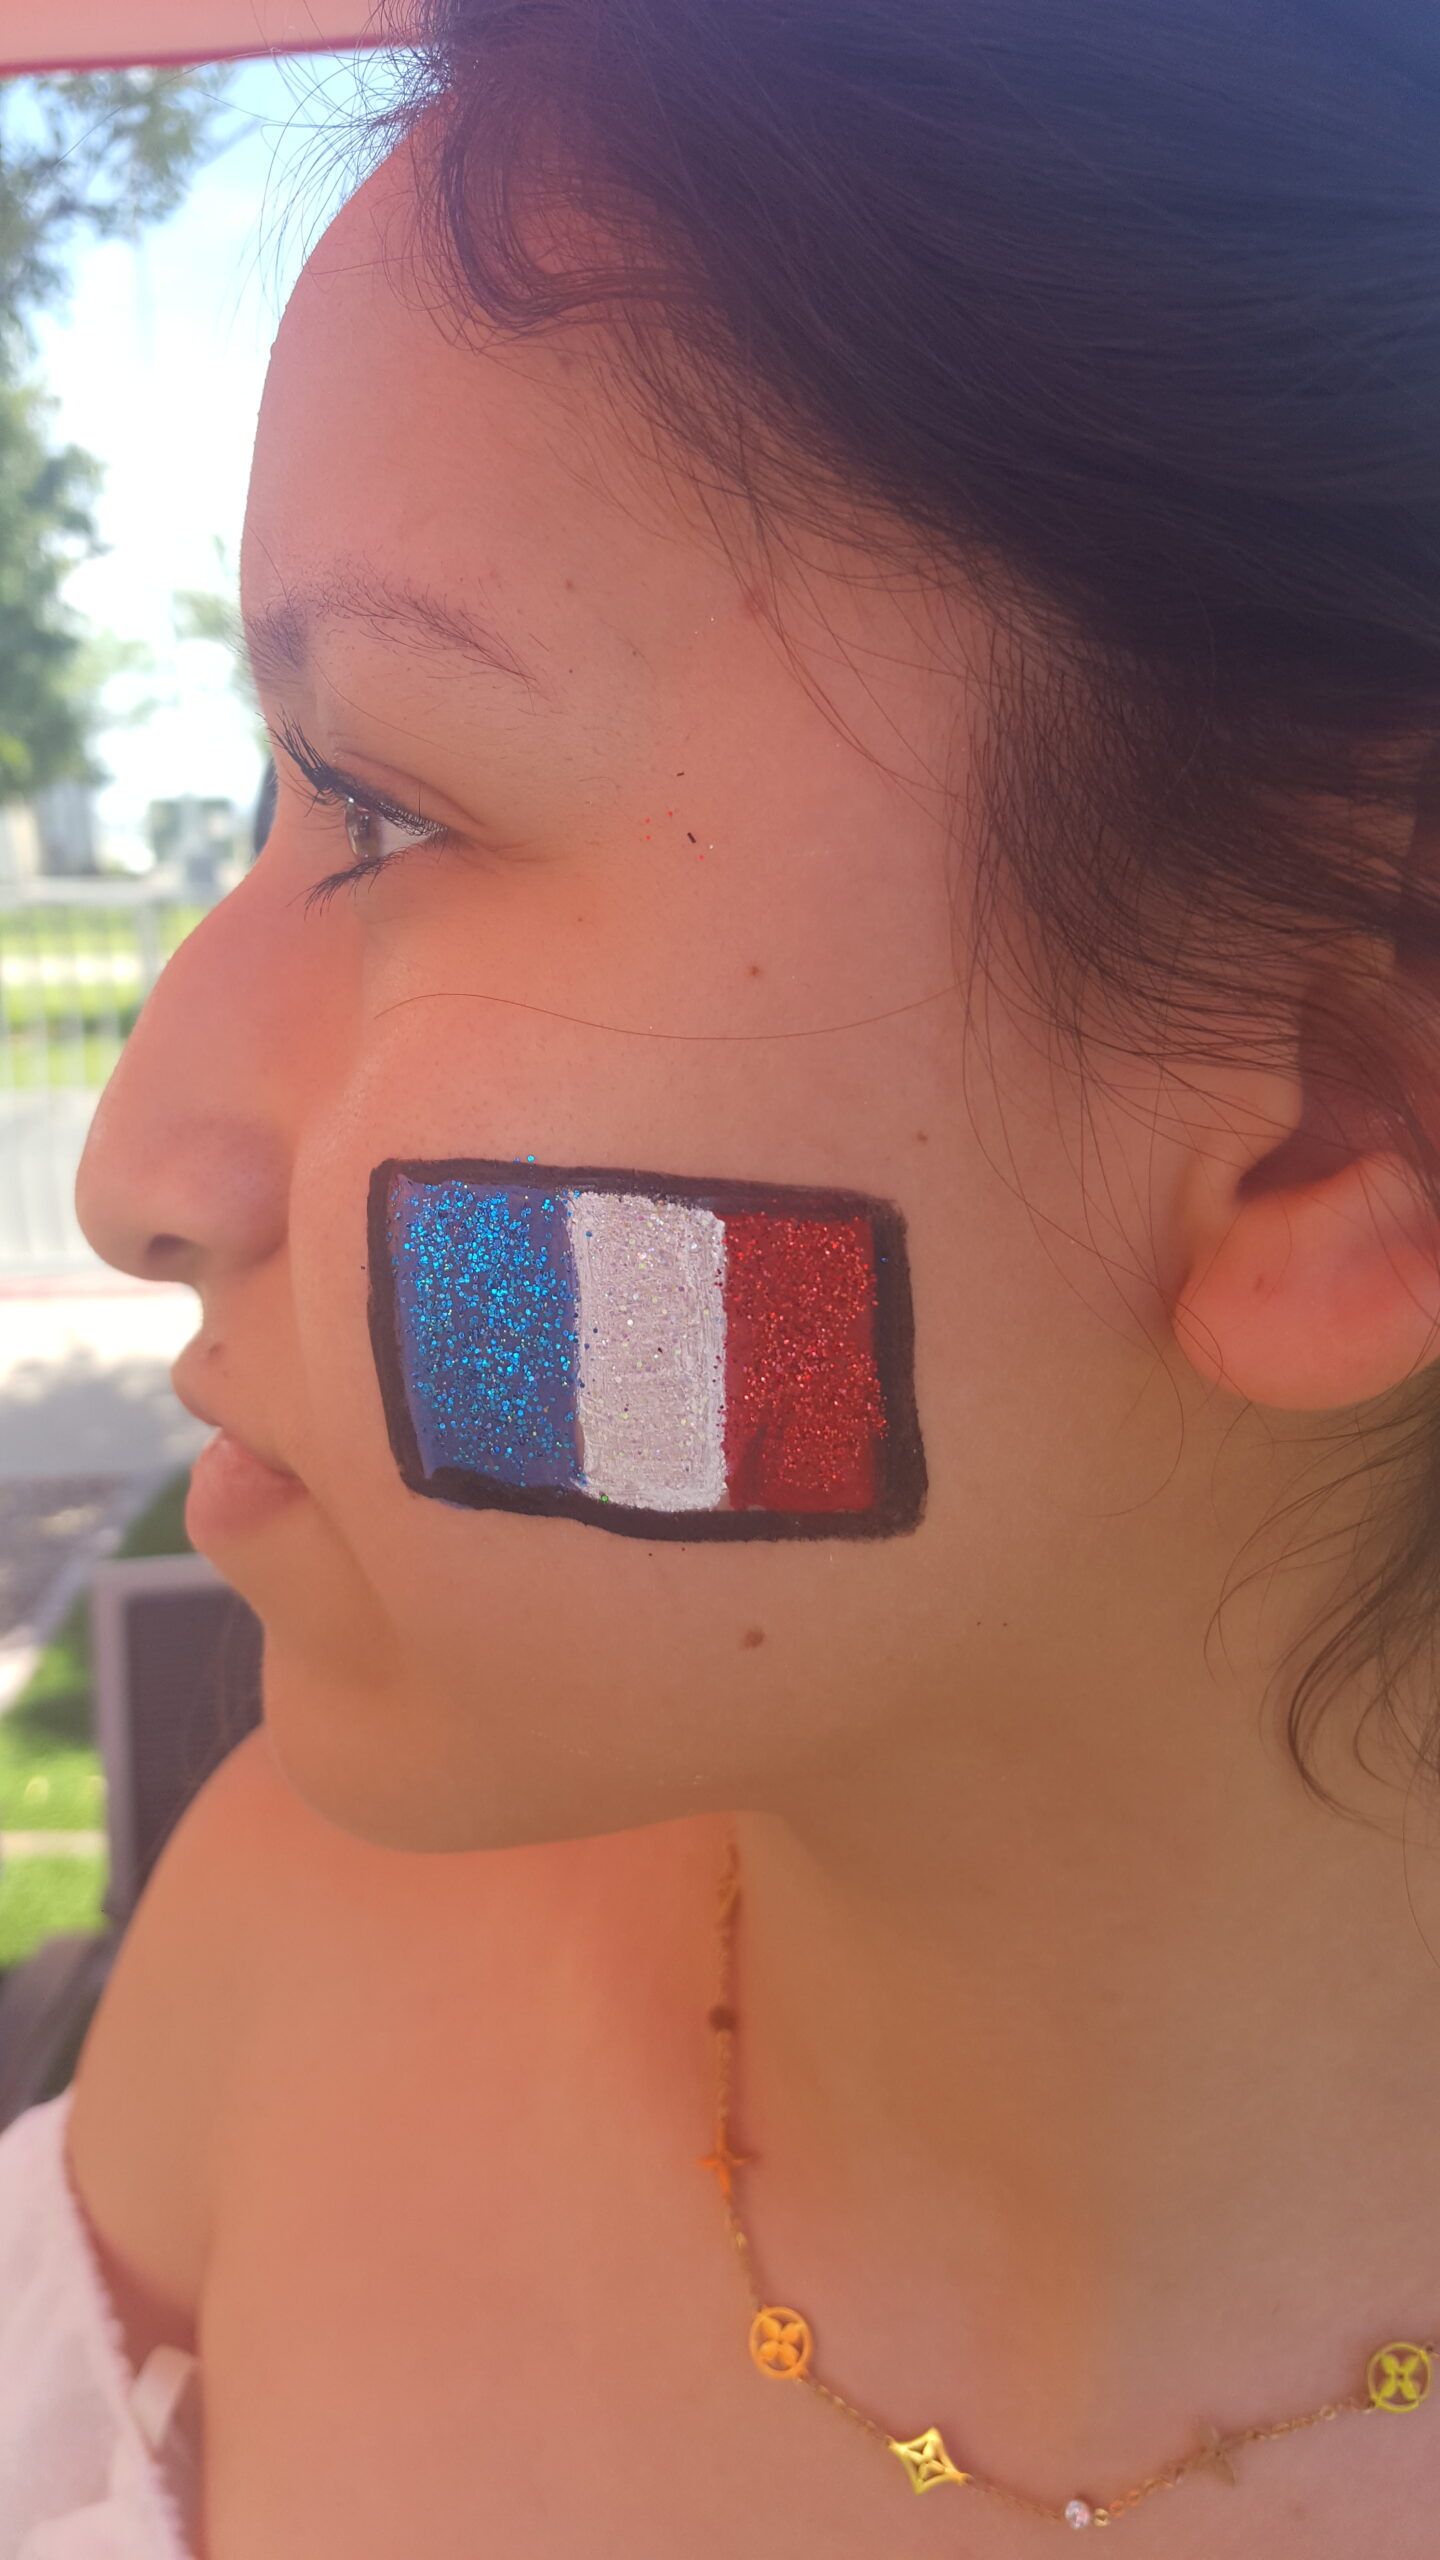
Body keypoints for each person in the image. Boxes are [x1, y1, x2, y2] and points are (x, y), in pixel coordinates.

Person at [3, 0, 1440, 2551]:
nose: (138, 1169)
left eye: (388, 802)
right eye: (270, 784)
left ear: (1342, 1124)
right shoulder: (288, 1981)